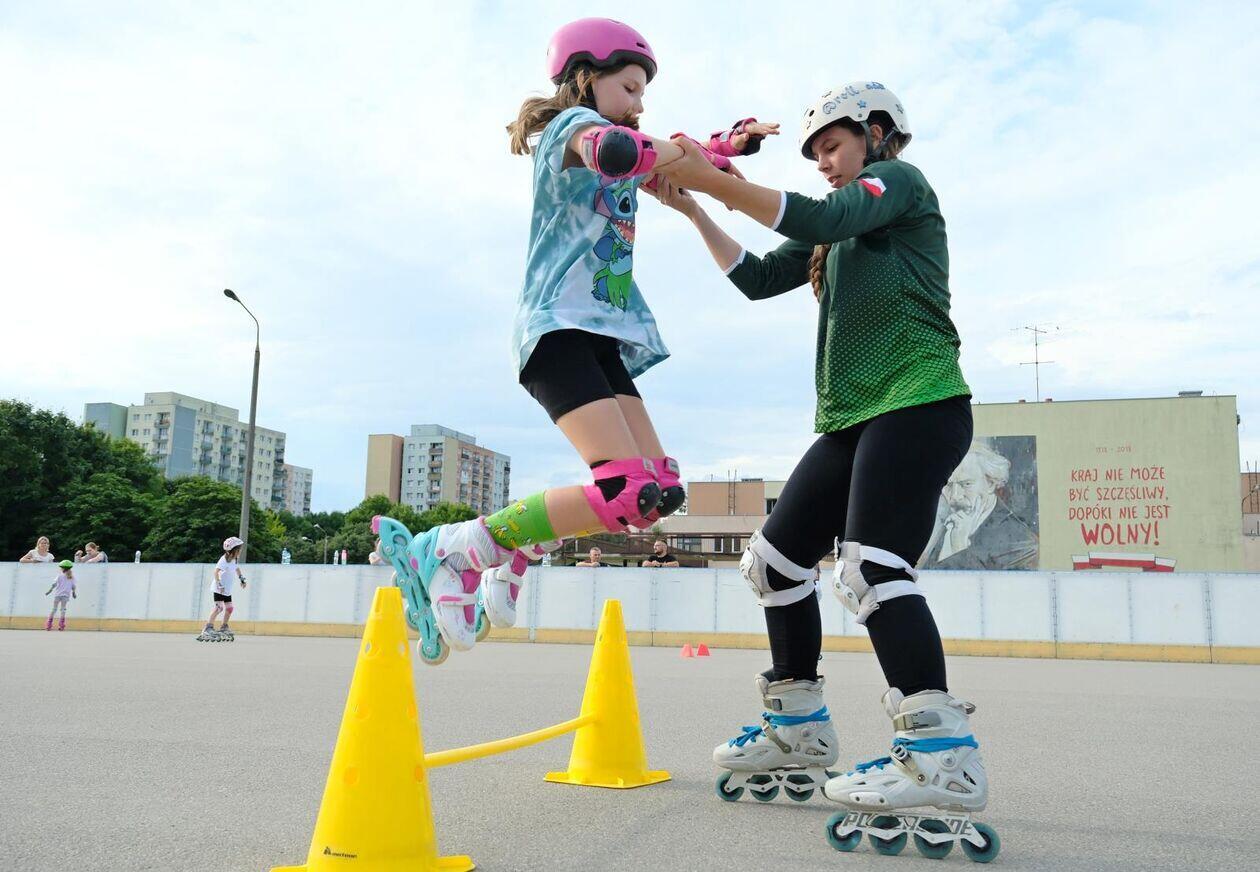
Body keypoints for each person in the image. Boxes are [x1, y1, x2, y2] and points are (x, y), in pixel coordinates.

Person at [657, 82, 997, 854]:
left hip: (919, 399)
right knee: (772, 564)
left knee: (870, 568)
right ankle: (798, 729)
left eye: (833, 147)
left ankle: (942, 755)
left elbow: (819, 214)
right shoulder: (832, 235)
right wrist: (693, 208)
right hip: (853, 420)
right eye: (814, 155)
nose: (824, 162)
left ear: (876, 133)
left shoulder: (898, 185)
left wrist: (711, 175)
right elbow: (756, 279)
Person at [374, 17, 772, 664]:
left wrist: (728, 145)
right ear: (586, 77)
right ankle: (452, 547)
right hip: (556, 328)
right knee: (624, 488)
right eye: (630, 87)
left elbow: (677, 159)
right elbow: (616, 150)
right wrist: (689, 154)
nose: (639, 102)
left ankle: (523, 545)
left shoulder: (625, 144)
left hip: (600, 338)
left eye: (643, 93)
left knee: (657, 494)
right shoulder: (571, 130)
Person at [197, 537, 247, 642]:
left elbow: (236, 568)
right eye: (239, 550)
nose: (240, 551)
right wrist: (219, 583)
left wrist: (241, 578)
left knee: (230, 608)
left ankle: (224, 627)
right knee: (219, 608)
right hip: (219, 588)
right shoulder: (224, 560)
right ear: (233, 550)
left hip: (227, 589)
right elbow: (216, 571)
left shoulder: (234, 559)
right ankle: (208, 628)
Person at [44, 559, 77, 631]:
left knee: (54, 609)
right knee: (63, 609)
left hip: (58, 595)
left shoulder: (59, 576)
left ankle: (49, 625)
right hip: (66, 595)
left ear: (62, 568)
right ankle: (62, 625)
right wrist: (74, 593)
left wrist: (49, 591)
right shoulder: (72, 577)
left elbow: (54, 584)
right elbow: (73, 586)